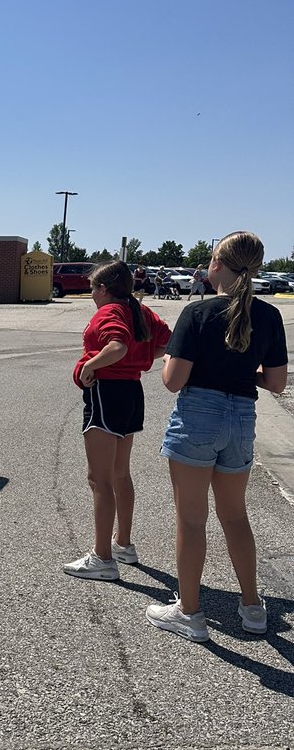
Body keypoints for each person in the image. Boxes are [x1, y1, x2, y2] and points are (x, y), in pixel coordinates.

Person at [146, 231, 288, 641]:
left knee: (191, 519)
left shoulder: (198, 313)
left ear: (217, 266)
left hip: (198, 417)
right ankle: (253, 607)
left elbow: (173, 381)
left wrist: (171, 358)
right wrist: (241, 372)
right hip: (241, 417)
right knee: (235, 515)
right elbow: (277, 383)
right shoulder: (268, 316)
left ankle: (189, 613)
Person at [63, 261, 171, 580]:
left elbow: (117, 345)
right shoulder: (138, 310)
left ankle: (102, 558)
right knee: (120, 474)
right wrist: (139, 358)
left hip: (106, 393)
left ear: (103, 289)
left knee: (100, 479)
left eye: (93, 288)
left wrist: (89, 367)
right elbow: (166, 342)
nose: (92, 294)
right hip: (131, 393)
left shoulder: (109, 311)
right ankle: (123, 543)